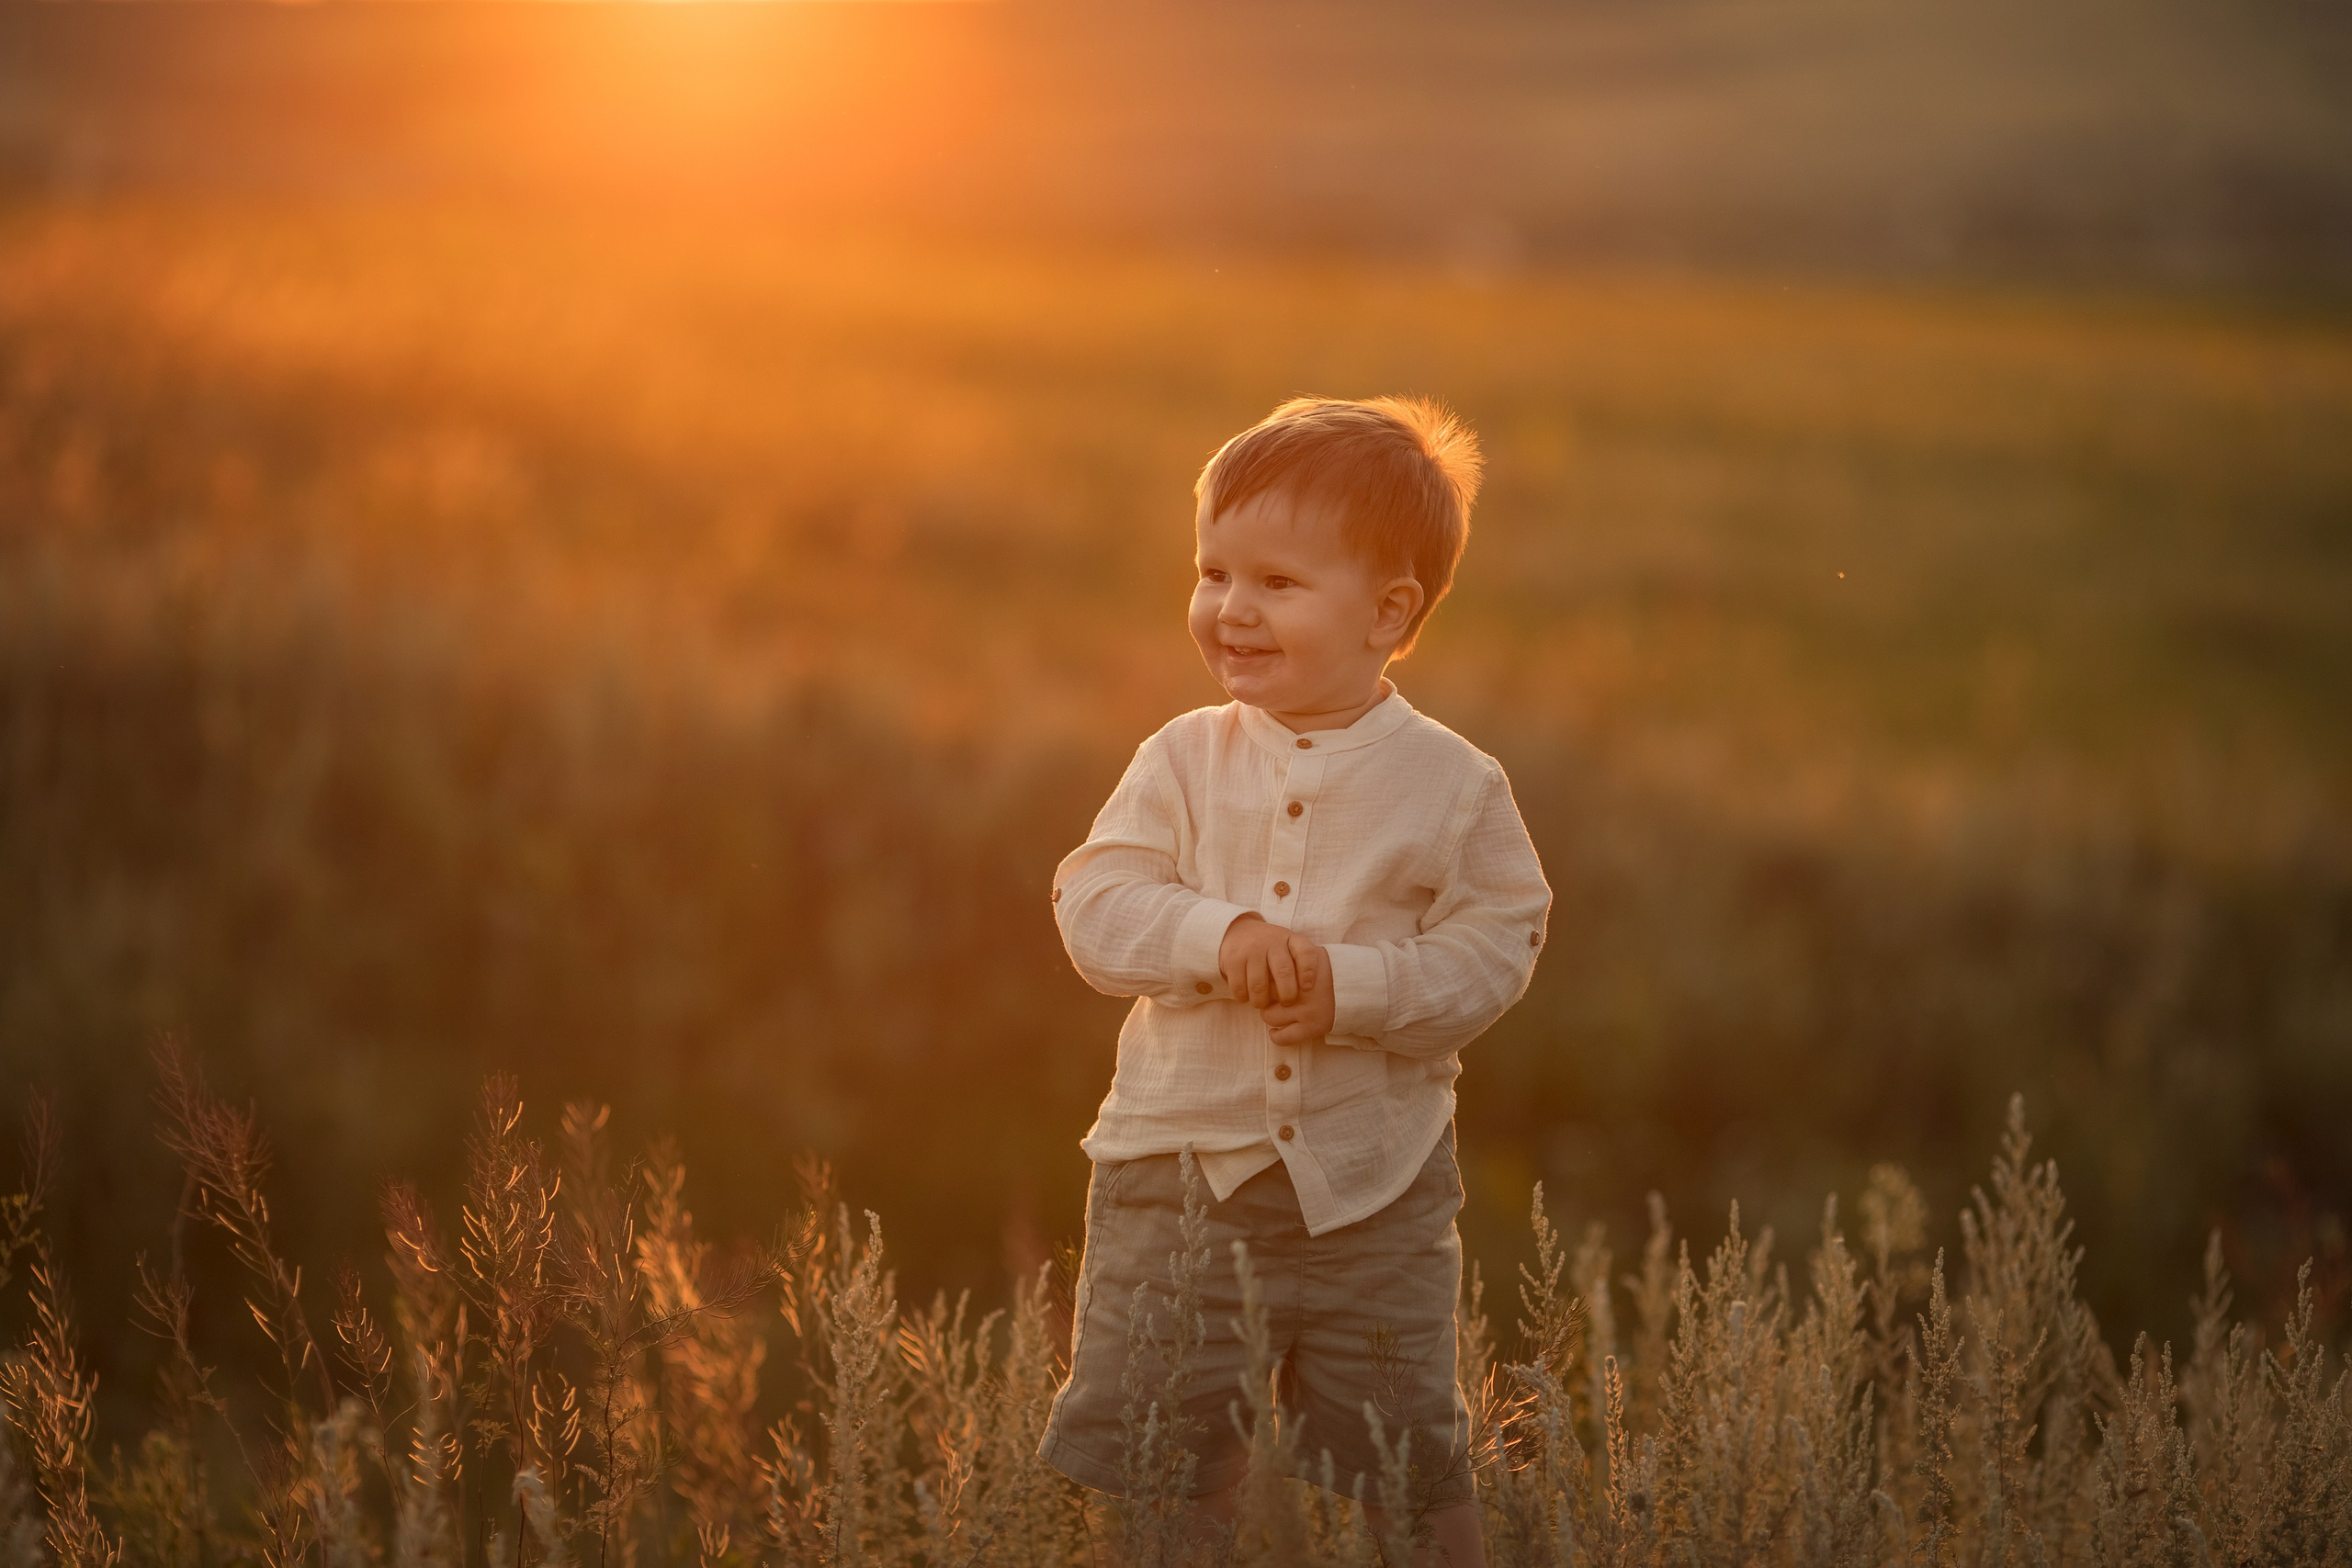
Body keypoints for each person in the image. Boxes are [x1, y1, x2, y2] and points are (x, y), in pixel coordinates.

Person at [1040, 396, 1551, 1564]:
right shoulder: (1178, 758)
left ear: (1388, 613)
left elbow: (1499, 942)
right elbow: (1095, 905)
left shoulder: (1451, 785)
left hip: (1372, 1186)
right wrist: (1216, 937)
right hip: (1177, 1181)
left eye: (1276, 582)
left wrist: (1358, 990)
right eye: (1214, 572)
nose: (1231, 609)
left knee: (1408, 1461)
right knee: (1171, 1469)